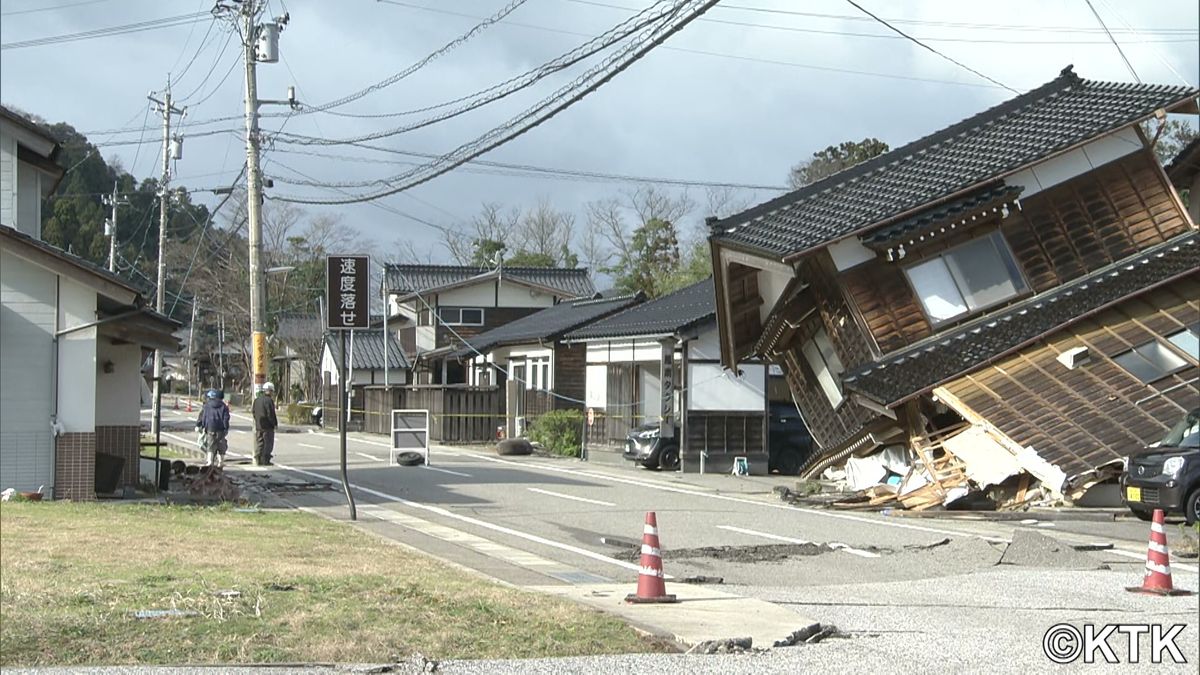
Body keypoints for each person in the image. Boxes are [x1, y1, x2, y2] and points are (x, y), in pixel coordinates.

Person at [195, 389, 231, 467]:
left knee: (210, 445)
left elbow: (203, 417)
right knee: (221, 445)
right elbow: (226, 418)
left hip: (210, 427)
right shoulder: (223, 406)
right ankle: (221, 462)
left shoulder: (207, 405)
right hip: (220, 428)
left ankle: (210, 461)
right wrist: (226, 428)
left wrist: (203, 425)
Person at [253, 382, 278, 466]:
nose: (272, 393)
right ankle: (265, 460)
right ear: (269, 391)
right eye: (272, 391)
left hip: (258, 425)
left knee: (259, 442)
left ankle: (258, 458)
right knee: (268, 443)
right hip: (267, 427)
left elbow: (253, 412)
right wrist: (274, 424)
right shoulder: (269, 401)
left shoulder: (257, 400)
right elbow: (270, 414)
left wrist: (257, 420)